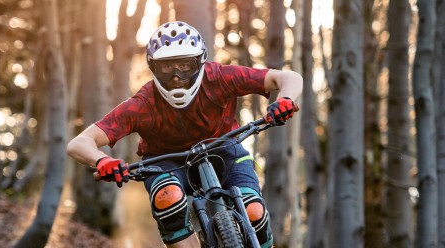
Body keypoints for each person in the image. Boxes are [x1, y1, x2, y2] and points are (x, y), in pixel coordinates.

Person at [66, 21, 302, 248]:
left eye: (185, 65)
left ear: (200, 62)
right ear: (152, 67)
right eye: (166, 67)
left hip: (224, 149)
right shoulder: (142, 104)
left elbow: (288, 77)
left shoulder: (220, 77)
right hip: (165, 161)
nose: (177, 76)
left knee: (254, 212)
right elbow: (79, 143)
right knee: (167, 198)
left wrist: (285, 99)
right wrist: (102, 160)